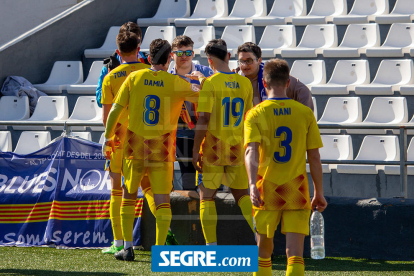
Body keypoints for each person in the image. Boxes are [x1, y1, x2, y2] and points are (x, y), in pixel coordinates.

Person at [103, 39, 201, 261]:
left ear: (148, 58)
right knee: (162, 201)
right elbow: (203, 95)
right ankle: (161, 251)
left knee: (128, 197)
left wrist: (108, 137)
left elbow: (115, 110)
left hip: (133, 145)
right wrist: (201, 82)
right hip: (161, 149)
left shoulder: (135, 78)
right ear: (169, 59)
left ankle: (126, 248)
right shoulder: (175, 82)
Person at [244, 59, 328, 276]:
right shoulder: (305, 113)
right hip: (297, 187)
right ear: (288, 82)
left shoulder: (255, 113)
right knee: (295, 253)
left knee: (263, 252)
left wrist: (252, 184)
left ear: (264, 83)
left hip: (265, 187)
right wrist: (319, 192)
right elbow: (315, 157)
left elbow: (250, 151)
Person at [192, 39, 255, 246]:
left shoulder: (209, 83)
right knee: (242, 195)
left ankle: (212, 248)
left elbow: (203, 118)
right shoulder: (245, 83)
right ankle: (261, 239)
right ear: (228, 56)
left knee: (207, 196)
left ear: (209, 61)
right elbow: (249, 116)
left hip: (213, 147)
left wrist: (195, 150)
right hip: (237, 146)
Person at [100, 30, 150, 255]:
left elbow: (106, 115)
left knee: (116, 190)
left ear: (118, 52)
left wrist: (108, 139)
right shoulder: (149, 72)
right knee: (149, 187)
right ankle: (165, 237)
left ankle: (119, 243)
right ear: (139, 50)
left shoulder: (111, 76)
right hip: (145, 138)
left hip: (119, 138)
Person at [169, 35, 214, 189]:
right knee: (187, 181)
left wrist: (204, 86)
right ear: (172, 55)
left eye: (188, 53)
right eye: (180, 53)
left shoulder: (205, 72)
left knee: (208, 182)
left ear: (193, 54)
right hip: (181, 132)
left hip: (205, 132)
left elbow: (218, 99)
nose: (184, 57)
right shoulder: (167, 77)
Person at [236, 42, 314, 110]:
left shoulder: (272, 74)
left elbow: (302, 90)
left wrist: (304, 117)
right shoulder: (236, 81)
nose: (245, 65)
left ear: (259, 60)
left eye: (249, 61)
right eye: (241, 61)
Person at [96, 22, 150, 108]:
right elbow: (99, 100)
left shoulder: (149, 62)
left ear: (141, 40)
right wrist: (109, 86)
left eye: (137, 41)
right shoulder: (110, 66)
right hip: (119, 118)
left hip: (140, 117)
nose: (132, 44)